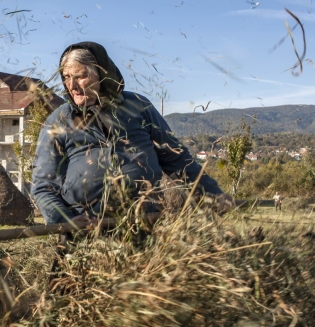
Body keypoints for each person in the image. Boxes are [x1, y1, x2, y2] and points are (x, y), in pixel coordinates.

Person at [31, 41, 233, 226]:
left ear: (102, 74)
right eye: (66, 78)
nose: (72, 86)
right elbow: (43, 185)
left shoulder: (137, 107)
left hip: (144, 223)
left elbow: (177, 159)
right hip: (85, 232)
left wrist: (213, 194)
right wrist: (64, 219)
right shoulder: (58, 121)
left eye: (80, 76)